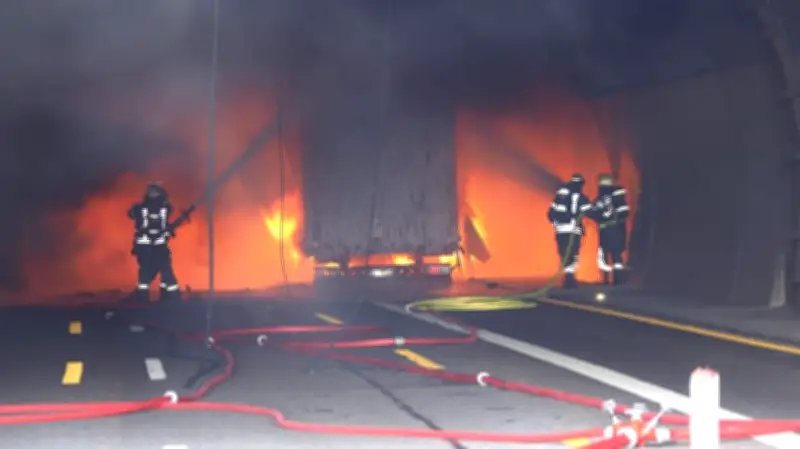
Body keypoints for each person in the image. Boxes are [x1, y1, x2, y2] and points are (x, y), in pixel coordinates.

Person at [127, 182, 180, 302]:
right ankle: (171, 296)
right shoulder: (165, 208)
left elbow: (131, 215)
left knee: (150, 271)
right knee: (160, 269)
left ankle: (145, 297)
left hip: (148, 246)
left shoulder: (141, 208)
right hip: (154, 246)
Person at [547, 173, 592, 289]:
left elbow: (550, 214)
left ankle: (569, 277)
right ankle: (570, 277)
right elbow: (591, 212)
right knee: (572, 253)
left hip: (563, 230)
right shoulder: (581, 198)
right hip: (573, 230)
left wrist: (556, 224)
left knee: (565, 253)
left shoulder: (560, 197)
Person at [588, 174, 630, 285]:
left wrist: (600, 219)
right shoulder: (619, 197)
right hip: (618, 231)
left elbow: (591, 212)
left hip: (605, 231)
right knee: (617, 256)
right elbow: (624, 213)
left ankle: (606, 280)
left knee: (605, 255)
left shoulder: (600, 199)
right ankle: (617, 280)